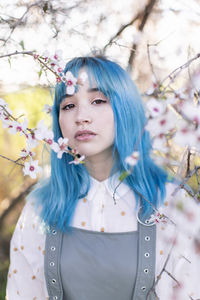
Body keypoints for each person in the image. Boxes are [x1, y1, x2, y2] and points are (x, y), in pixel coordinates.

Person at [6, 56, 200, 300]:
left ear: (126, 108)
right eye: (68, 105)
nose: (81, 116)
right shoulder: (41, 208)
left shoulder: (171, 203)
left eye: (98, 100)